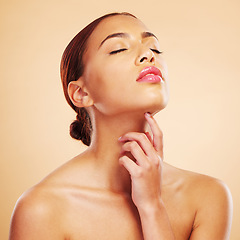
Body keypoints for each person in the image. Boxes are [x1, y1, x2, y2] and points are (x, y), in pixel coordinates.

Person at [9, 12, 233, 240]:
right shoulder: (42, 210)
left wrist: (152, 207)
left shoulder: (208, 197)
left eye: (154, 49)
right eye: (118, 49)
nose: (147, 55)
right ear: (81, 93)